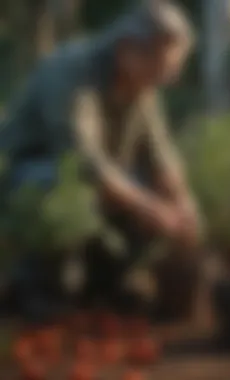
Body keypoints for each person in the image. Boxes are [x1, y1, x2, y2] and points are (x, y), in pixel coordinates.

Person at [0, 1, 202, 322]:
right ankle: (36, 286)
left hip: (90, 175)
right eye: (163, 68)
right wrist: (149, 207)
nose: (168, 80)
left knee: (150, 193)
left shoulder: (141, 84)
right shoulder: (71, 72)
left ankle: (106, 282)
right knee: (65, 187)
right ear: (128, 49)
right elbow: (83, 160)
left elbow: (160, 152)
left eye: (173, 70)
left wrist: (182, 201)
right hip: (29, 175)